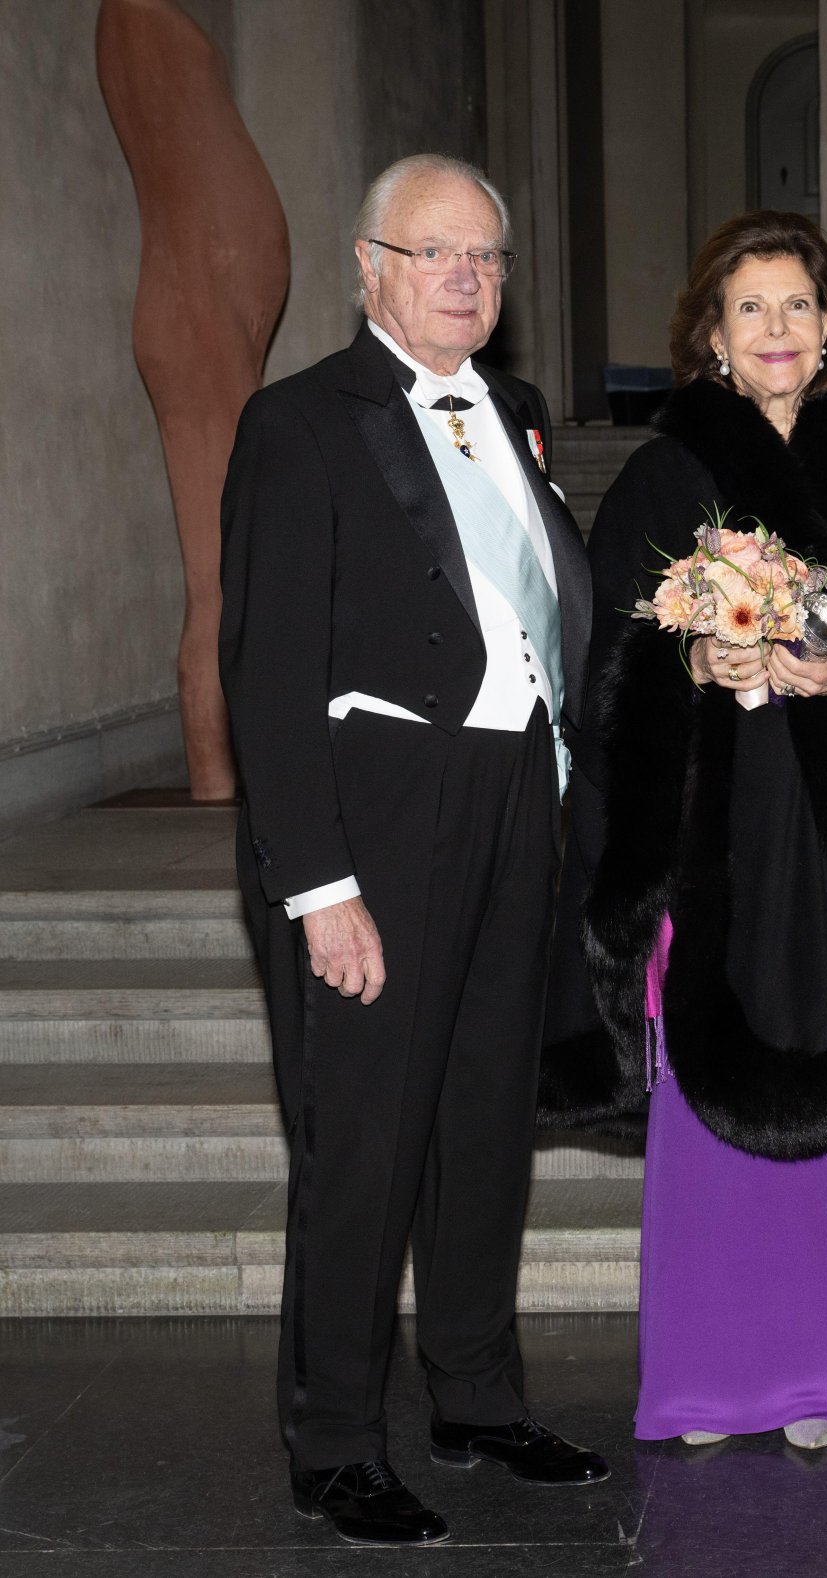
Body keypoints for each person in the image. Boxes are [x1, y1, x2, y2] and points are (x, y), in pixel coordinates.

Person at [541, 211, 827, 1449]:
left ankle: (809, 1381)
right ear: (713, 340)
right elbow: (605, 666)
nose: (778, 331)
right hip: (711, 835)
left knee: (824, 1085)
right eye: (752, 310)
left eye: (799, 306)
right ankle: (699, 1379)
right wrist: (696, 653)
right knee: (702, 1097)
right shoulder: (664, 477)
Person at [219, 153, 606, 1550]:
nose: (467, 277)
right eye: (435, 252)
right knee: (365, 1144)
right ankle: (333, 1443)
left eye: (488, 259)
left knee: (483, 1125)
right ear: (368, 267)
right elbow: (265, 674)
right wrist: (318, 884)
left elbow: (540, 607)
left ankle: (475, 1394)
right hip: (374, 823)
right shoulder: (298, 422)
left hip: (514, 803)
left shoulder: (511, 409)